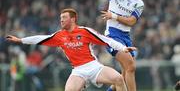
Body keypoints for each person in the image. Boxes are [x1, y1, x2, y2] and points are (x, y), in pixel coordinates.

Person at [6, 8, 137, 91]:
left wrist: (123, 48)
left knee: (119, 79)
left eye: (64, 17)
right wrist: (21, 40)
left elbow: (106, 40)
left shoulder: (85, 31)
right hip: (78, 71)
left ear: (73, 19)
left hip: (93, 67)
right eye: (60, 18)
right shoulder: (59, 35)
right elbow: (40, 38)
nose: (61, 20)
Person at [95, 0, 145, 91]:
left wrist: (114, 16)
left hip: (126, 37)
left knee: (123, 75)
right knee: (131, 66)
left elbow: (131, 21)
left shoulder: (139, 3)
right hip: (112, 35)